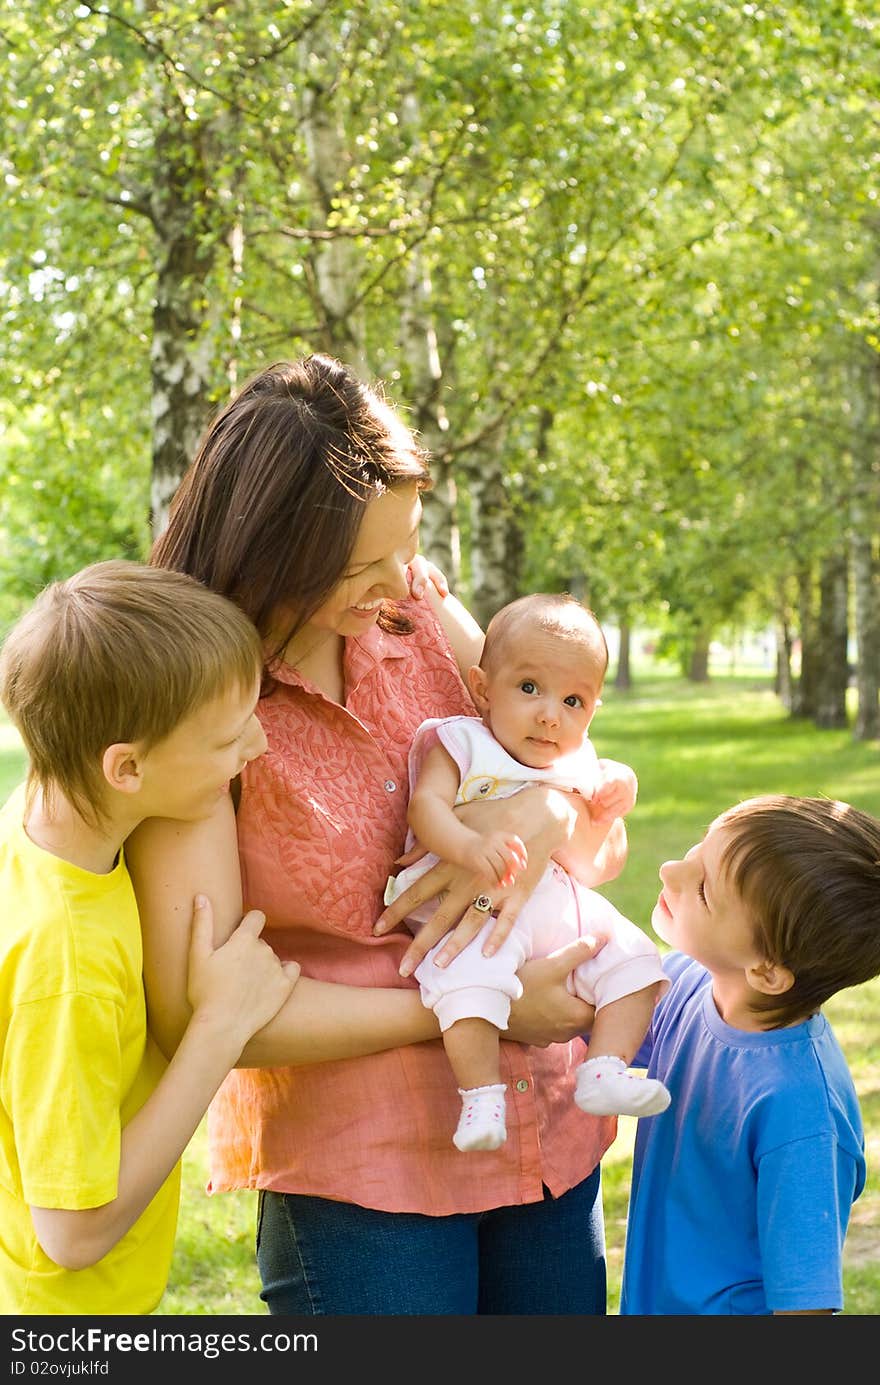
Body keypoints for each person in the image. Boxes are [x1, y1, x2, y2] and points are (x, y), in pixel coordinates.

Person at [127, 353, 630, 1316]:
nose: (400, 578)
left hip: (544, 1143)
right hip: (367, 1179)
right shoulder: (198, 708)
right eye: (363, 564)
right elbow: (196, 1010)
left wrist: (541, 808)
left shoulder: (419, 614)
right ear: (271, 552)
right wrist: (474, 1006)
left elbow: (572, 755)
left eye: (406, 544)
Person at [0, 561, 299, 1316]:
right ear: (126, 767)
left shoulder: (32, 819)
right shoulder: (68, 958)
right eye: (229, 736)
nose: (258, 745)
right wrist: (220, 1027)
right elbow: (71, 1232)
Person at [385, 592, 670, 1152]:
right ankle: (479, 1095)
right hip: (468, 901)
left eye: (572, 701)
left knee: (636, 959)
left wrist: (621, 787)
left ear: (591, 713)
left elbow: (601, 826)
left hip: (551, 902)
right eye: (529, 688)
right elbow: (426, 809)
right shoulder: (462, 741)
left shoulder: (572, 756)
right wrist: (468, 845)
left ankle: (604, 1068)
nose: (550, 715)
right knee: (470, 977)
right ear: (483, 687)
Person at [619, 794, 880, 1316]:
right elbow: (582, 1023)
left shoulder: (800, 1112)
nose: (671, 869)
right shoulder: (691, 986)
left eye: (704, 890)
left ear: (765, 971)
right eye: (699, 846)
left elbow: (803, 1308)